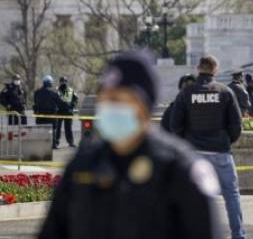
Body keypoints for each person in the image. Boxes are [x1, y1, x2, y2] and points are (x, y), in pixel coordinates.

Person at [38, 51, 222, 239]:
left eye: (118, 100)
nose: (109, 107)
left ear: (143, 105)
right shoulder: (83, 164)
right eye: (106, 98)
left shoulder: (180, 168)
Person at [171, 55, 245, 239]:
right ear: (215, 70)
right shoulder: (225, 91)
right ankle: (238, 235)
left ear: (198, 69)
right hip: (220, 151)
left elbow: (175, 124)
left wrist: (186, 143)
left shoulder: (186, 93)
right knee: (231, 195)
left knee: (191, 198)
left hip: (194, 153)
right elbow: (236, 124)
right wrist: (226, 140)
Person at [33, 76, 61, 149]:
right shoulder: (54, 92)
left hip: (40, 114)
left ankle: (41, 144)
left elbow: (35, 102)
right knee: (52, 130)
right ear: (50, 83)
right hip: (51, 115)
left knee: (41, 129)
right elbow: (59, 102)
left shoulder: (37, 92)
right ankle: (53, 145)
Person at [55, 77, 78, 148]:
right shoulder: (57, 90)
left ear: (66, 82)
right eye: (62, 81)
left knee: (68, 128)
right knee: (57, 128)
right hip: (59, 112)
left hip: (68, 112)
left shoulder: (70, 90)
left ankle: (70, 142)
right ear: (60, 82)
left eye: (64, 81)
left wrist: (72, 106)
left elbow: (75, 99)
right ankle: (56, 142)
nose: (63, 82)